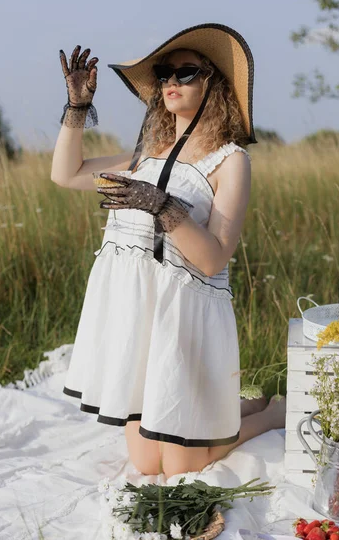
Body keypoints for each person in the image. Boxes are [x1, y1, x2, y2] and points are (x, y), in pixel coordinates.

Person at [51, 23, 286, 479]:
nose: (171, 82)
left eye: (186, 72)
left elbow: (215, 257)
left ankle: (272, 412)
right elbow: (66, 173)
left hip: (184, 316)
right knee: (145, 463)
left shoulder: (230, 160)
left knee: (184, 465)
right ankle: (236, 403)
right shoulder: (145, 154)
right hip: (139, 314)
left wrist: (162, 206)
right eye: (164, 73)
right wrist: (78, 108)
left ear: (212, 81)